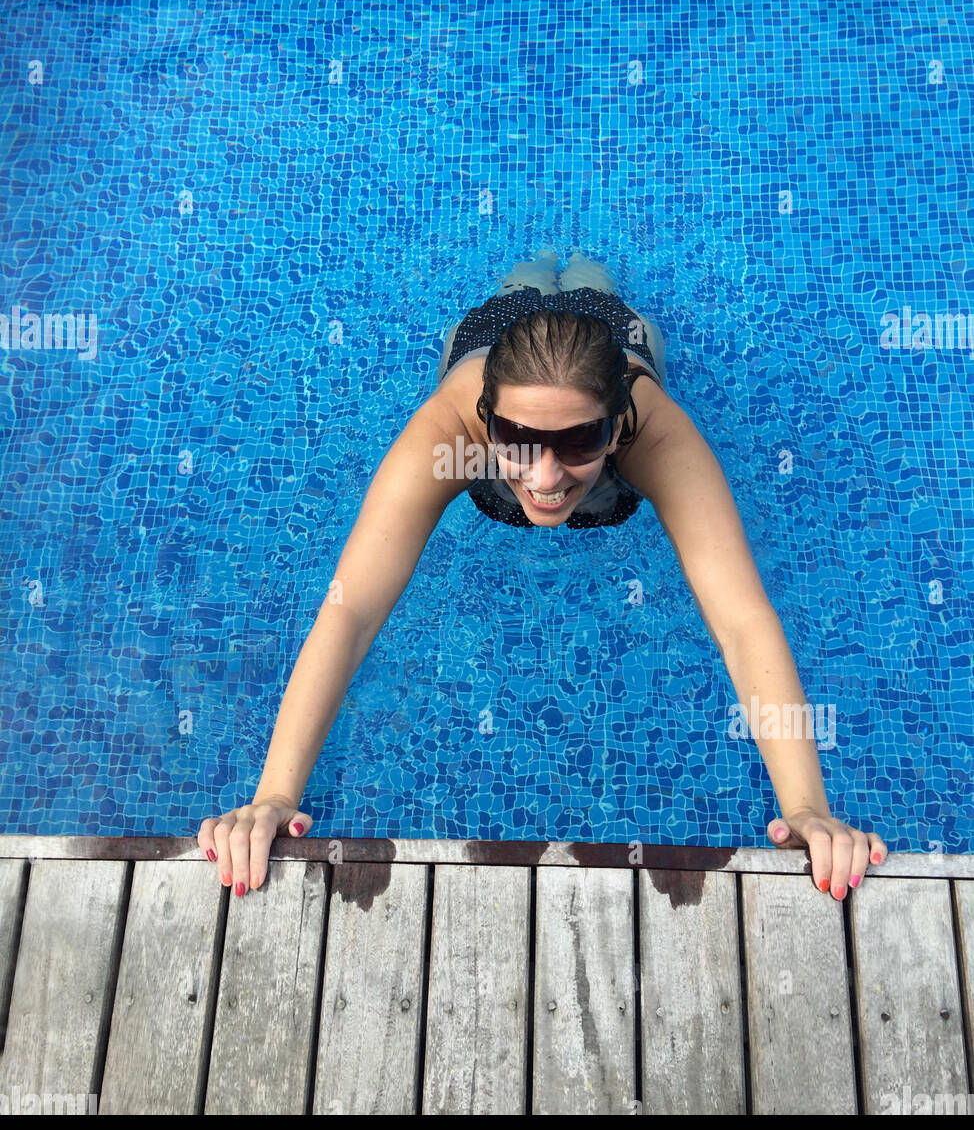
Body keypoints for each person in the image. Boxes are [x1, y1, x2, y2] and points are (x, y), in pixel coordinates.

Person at [197, 249, 888, 898]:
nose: (545, 478)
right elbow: (350, 610)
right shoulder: (449, 435)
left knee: (597, 287)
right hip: (490, 338)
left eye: (581, 441)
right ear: (484, 420)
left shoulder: (659, 434)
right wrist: (273, 798)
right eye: (518, 442)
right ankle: (530, 278)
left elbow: (742, 621)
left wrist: (805, 808)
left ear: (618, 426)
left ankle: (588, 279)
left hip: (613, 341)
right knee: (520, 286)